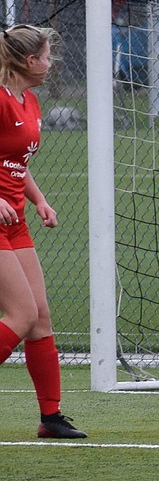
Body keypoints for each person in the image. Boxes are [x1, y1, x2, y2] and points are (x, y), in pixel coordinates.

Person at [0, 24, 86, 439]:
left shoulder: (29, 100)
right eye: (48, 56)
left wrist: (38, 200)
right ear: (29, 60)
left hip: (14, 220)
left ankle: (50, 418)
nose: (52, 64)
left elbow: (18, 163)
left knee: (40, 319)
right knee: (21, 315)